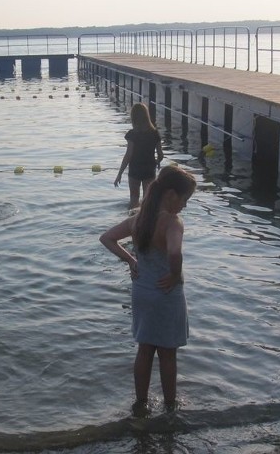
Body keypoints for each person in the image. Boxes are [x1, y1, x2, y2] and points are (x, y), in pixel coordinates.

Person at [100, 165, 196, 411]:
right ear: (171, 194)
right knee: (167, 353)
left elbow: (107, 238)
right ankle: (170, 405)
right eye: (185, 199)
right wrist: (175, 275)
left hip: (142, 290)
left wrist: (131, 260)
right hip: (166, 293)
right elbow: (174, 252)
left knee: (144, 349)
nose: (185, 205)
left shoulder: (140, 218)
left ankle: (141, 403)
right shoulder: (173, 222)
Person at [114, 103, 164, 209]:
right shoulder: (155, 133)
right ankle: (146, 221)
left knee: (134, 198)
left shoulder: (132, 134)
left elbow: (128, 155)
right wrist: (158, 162)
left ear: (133, 118)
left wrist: (120, 174)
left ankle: (132, 221)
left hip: (135, 169)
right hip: (149, 169)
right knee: (147, 199)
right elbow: (160, 154)